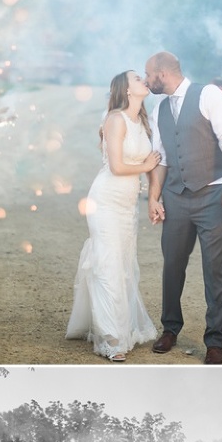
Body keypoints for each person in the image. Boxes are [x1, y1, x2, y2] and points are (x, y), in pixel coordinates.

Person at [145, 52, 222, 364]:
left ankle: (215, 341)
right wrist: (153, 197)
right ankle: (170, 328)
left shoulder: (208, 94)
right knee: (172, 265)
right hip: (175, 198)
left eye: (149, 75)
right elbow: (161, 158)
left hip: (213, 196)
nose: (147, 81)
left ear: (162, 73)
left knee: (213, 270)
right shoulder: (159, 107)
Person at [66, 71, 160, 360]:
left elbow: (154, 162)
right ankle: (112, 338)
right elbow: (118, 167)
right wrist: (145, 166)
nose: (144, 79)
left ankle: (119, 327)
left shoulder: (142, 121)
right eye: (136, 78)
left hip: (126, 203)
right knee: (107, 265)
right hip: (105, 200)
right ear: (126, 89)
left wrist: (153, 195)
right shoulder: (115, 119)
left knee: (122, 264)